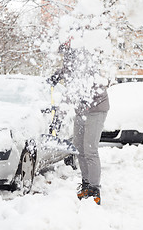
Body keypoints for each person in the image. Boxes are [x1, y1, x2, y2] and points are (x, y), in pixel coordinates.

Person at [48, 39, 109, 205]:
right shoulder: (70, 61)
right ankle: (86, 184)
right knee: (80, 148)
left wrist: (59, 116)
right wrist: (57, 74)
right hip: (81, 110)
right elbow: (68, 72)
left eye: (65, 52)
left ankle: (95, 188)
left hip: (96, 108)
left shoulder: (84, 58)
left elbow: (75, 88)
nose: (64, 56)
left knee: (90, 149)